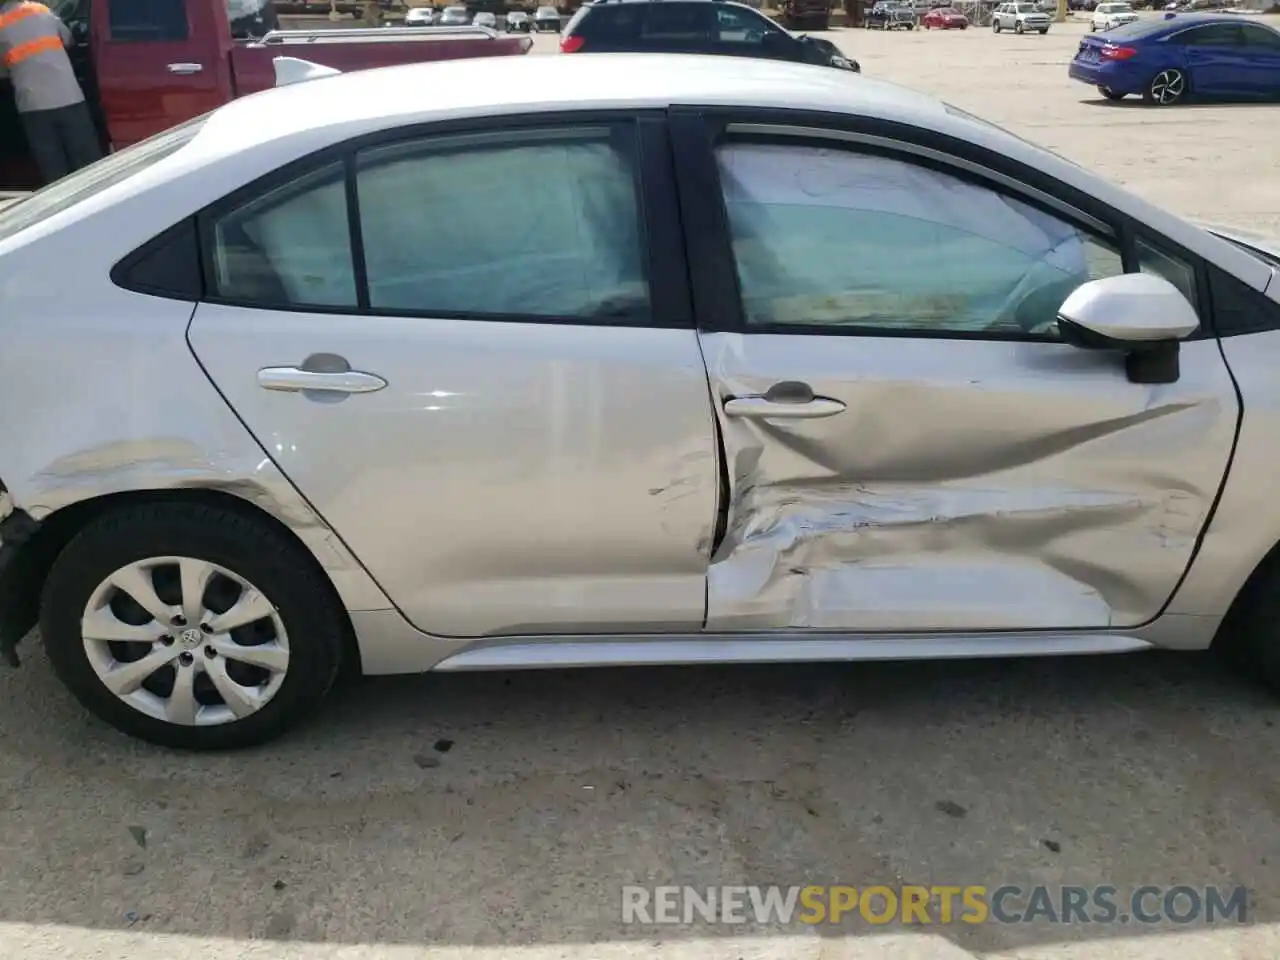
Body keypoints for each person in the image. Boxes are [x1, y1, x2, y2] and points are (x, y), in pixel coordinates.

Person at [0, 0, 100, 185]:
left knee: (53, 168)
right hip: (68, 95)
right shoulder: (41, 10)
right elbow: (68, 39)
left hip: (33, 105)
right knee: (87, 163)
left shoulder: (1, 24)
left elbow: (3, 72)